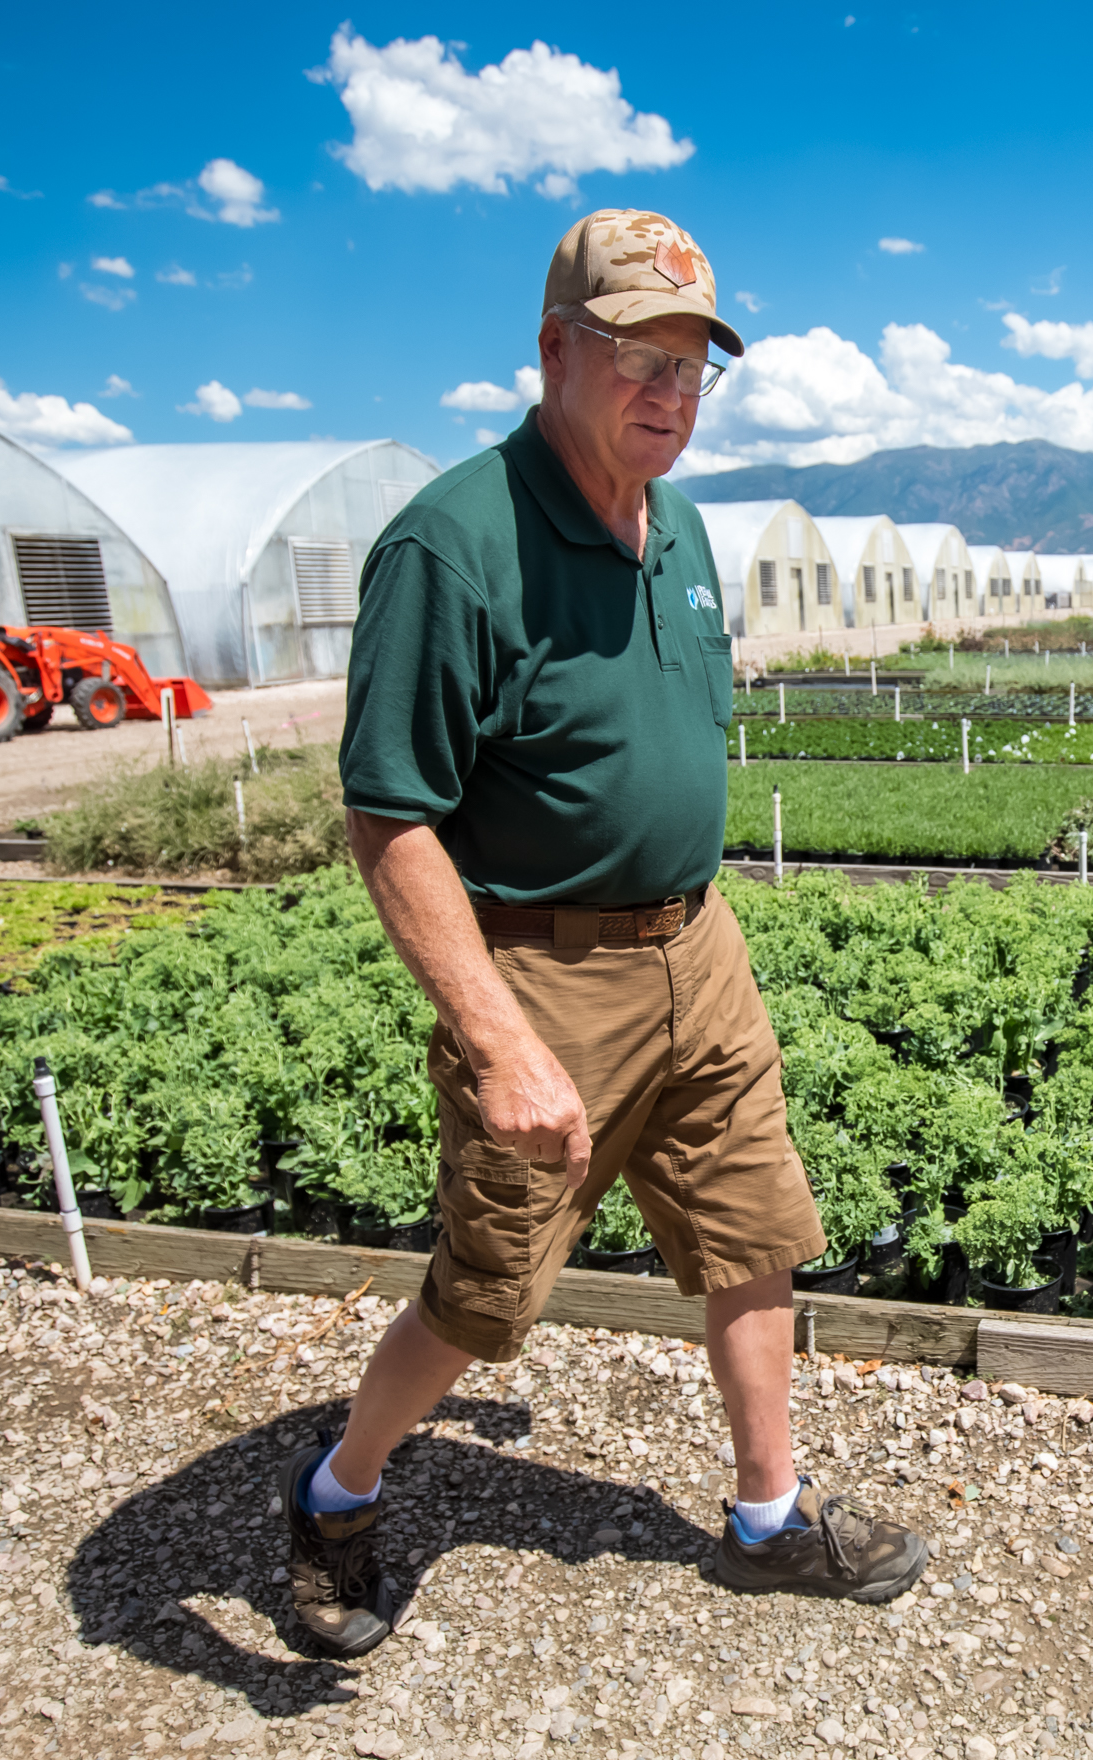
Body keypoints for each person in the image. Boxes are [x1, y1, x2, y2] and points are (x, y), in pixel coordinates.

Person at [280, 209, 930, 1658]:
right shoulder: (454, 545)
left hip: (698, 947)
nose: (673, 393)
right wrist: (500, 1041)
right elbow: (389, 821)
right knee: (487, 1291)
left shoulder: (685, 524)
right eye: (641, 356)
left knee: (753, 1230)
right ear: (556, 349)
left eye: (698, 364)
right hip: (546, 975)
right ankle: (337, 1492)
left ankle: (769, 1519)